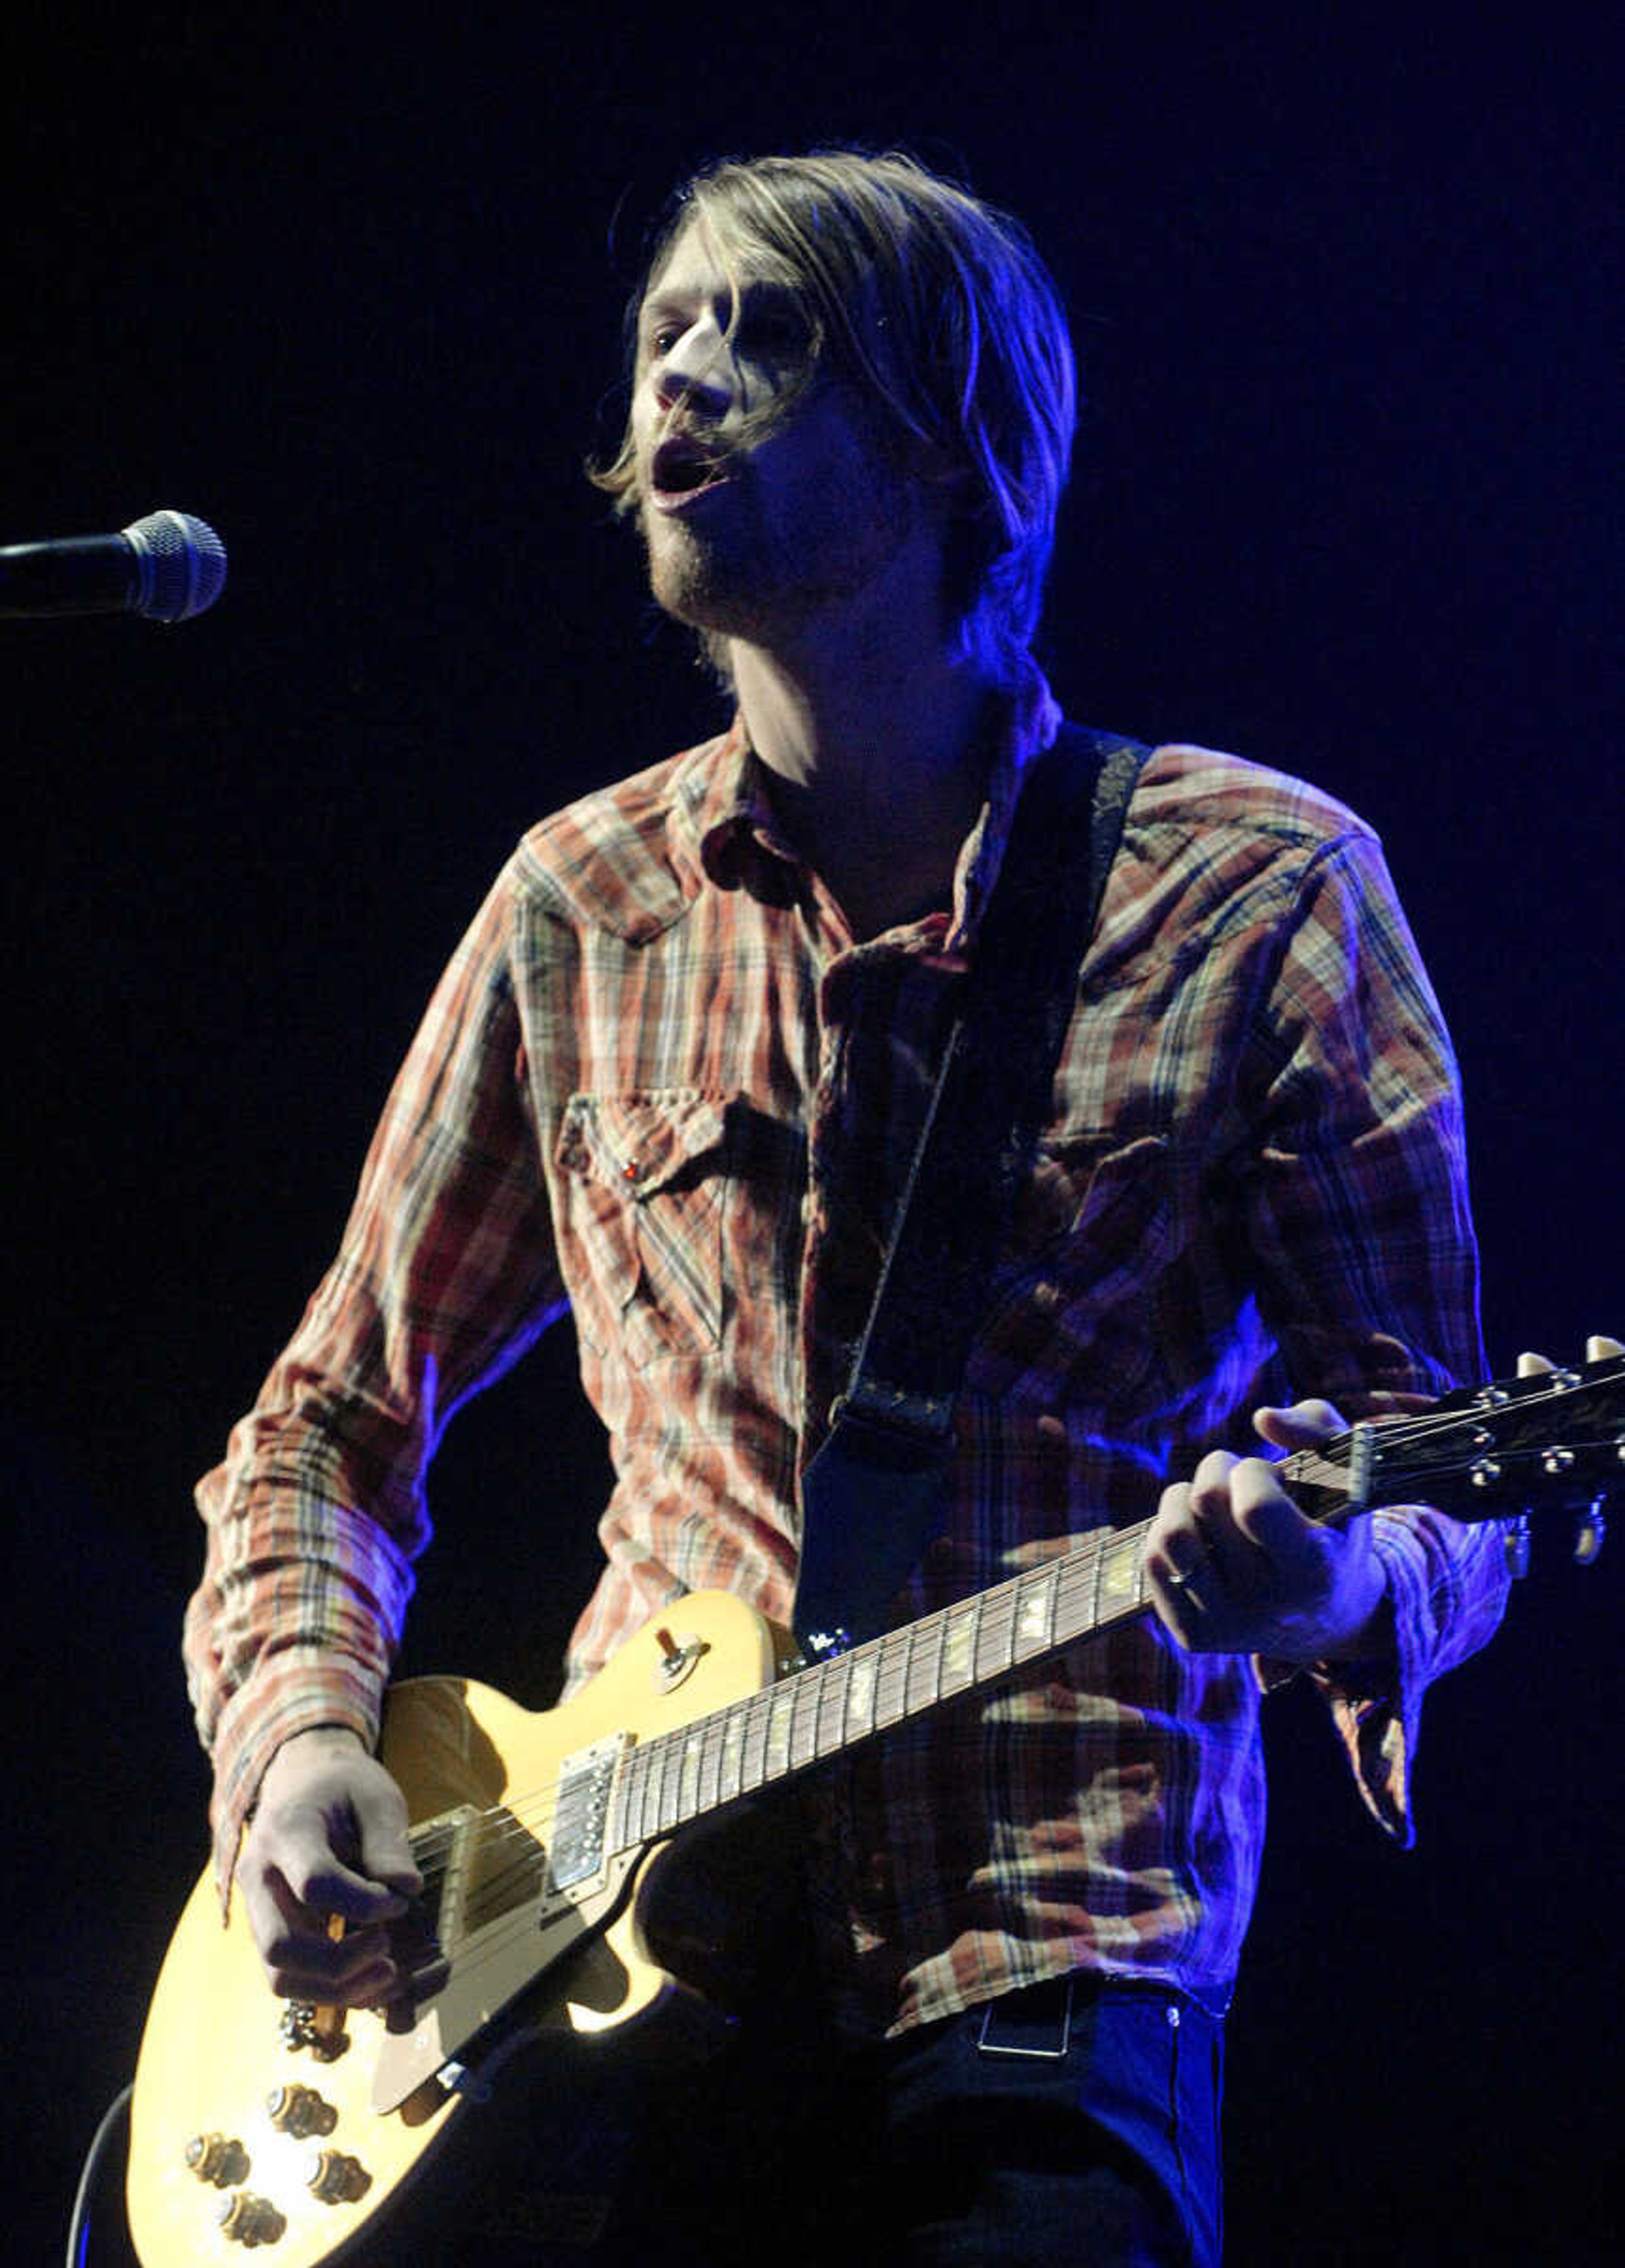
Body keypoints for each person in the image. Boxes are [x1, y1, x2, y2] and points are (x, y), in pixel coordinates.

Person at [184, 149, 1515, 2265]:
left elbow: (1449, 1467)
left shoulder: (1263, 892)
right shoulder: (580, 905)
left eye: (770, 332)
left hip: (1050, 1956)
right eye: (668, 333)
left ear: (957, 437)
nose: (683, 375)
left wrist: (1332, 1585)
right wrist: (301, 1745)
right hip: (614, 1970)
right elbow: (323, 1423)